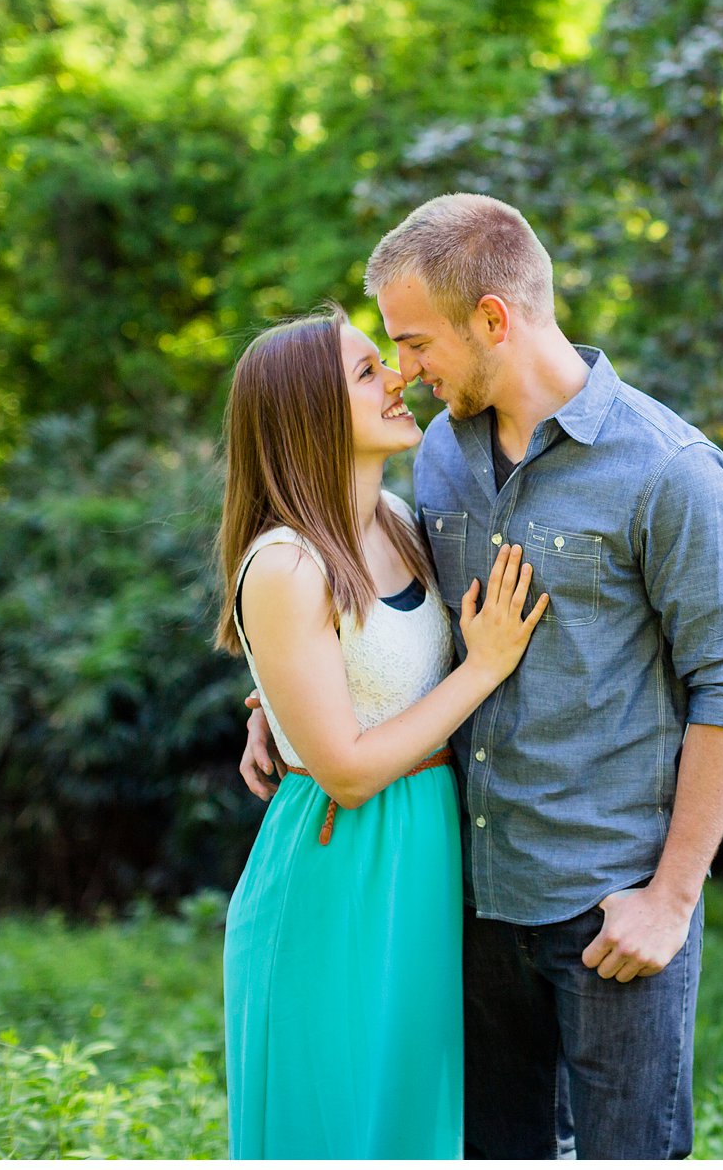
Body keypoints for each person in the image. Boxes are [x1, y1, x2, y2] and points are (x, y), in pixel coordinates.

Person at [239, 195, 723, 1159]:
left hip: (607, 905)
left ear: (492, 319)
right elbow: (385, 623)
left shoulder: (669, 472)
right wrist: (282, 703)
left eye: (411, 343)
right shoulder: (437, 458)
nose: (404, 372)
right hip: (462, 900)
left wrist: (673, 899)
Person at [215, 302, 549, 1159]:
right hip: (340, 868)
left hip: (425, 858)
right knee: (340, 1126)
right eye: (368, 372)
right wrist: (486, 665)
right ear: (310, 414)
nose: (398, 376)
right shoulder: (287, 565)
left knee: (416, 1124)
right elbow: (351, 772)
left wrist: (274, 707)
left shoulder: (402, 523)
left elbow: (377, 675)